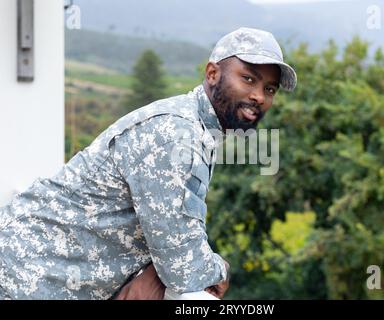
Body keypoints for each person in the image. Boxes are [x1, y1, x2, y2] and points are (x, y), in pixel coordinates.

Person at [0, 27, 297, 300]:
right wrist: (221, 269)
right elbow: (184, 268)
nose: (259, 96)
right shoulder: (173, 133)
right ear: (212, 74)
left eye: (270, 89)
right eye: (248, 78)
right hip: (21, 276)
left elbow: (176, 243)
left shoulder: (198, 131)